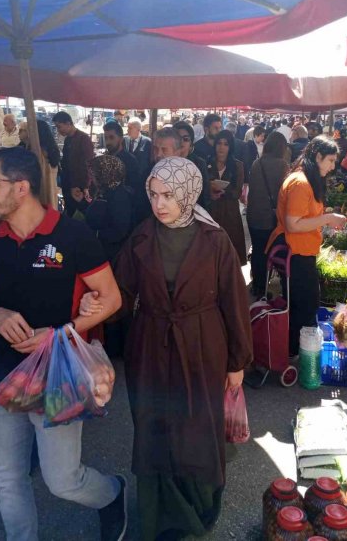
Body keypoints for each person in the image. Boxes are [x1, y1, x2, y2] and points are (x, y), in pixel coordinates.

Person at [0, 147, 127, 541]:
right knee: (8, 479)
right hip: (1, 376)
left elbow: (112, 298)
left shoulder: (72, 235)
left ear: (21, 188)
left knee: (63, 481)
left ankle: (112, 493)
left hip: (59, 372)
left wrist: (60, 331)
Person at [110, 156, 253, 541]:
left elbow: (235, 302)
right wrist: (97, 305)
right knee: (153, 424)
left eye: (169, 195)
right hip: (150, 343)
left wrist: (238, 361)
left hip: (203, 343)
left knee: (196, 425)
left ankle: (198, 507)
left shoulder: (215, 239)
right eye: (154, 194)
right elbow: (121, 293)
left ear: (189, 192)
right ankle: (159, 515)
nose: (160, 204)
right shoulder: (141, 236)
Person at [266, 136, 347, 356]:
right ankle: (293, 352)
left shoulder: (305, 179)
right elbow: (294, 224)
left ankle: (293, 351)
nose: (332, 167)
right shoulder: (301, 183)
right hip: (296, 253)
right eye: (330, 161)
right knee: (304, 306)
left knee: (303, 304)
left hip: (301, 251)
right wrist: (328, 218)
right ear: (317, 156)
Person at [247, 132, 290, 297]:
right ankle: (263, 288)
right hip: (269, 218)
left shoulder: (257, 163)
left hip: (253, 216)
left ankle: (257, 285)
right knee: (268, 252)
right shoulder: (282, 165)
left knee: (257, 250)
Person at [206, 130, 247, 265]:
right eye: (219, 143)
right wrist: (209, 187)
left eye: (225, 144)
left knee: (230, 253)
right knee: (210, 252)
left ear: (230, 147)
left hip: (230, 213)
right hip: (211, 212)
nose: (221, 147)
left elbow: (237, 192)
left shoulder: (237, 165)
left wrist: (223, 189)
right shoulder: (207, 163)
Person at [84, 155, 134, 262]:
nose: (91, 178)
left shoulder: (119, 196)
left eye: (94, 174)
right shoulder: (104, 190)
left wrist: (94, 234)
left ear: (105, 173)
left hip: (111, 256)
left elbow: (119, 231)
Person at [53, 111, 93, 218]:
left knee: (80, 215)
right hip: (69, 185)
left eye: (59, 126)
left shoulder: (83, 139)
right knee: (70, 213)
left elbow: (89, 164)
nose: (58, 130)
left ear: (68, 123)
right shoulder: (68, 140)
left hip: (79, 187)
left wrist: (85, 186)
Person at [103, 120, 142, 196]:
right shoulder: (105, 159)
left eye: (111, 137)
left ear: (121, 139)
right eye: (106, 138)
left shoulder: (130, 161)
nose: (108, 142)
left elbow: (135, 190)